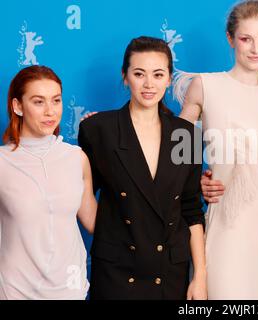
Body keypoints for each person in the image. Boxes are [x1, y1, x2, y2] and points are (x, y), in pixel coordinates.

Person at [174, 0, 258, 299]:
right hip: (225, 227)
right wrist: (196, 182)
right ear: (230, 38)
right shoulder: (205, 86)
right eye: (246, 39)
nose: (256, 49)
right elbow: (177, 153)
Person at [78, 36, 207, 300]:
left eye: (158, 74)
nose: (149, 84)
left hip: (169, 271)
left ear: (169, 79)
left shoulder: (186, 135)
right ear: (125, 77)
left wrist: (200, 277)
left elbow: (192, 210)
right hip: (117, 270)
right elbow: (82, 196)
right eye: (139, 74)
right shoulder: (97, 129)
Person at [0, 65, 97, 300]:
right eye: (38, 101)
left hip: (70, 289)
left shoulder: (76, 157)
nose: (50, 112)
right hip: (15, 291)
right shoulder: (2, 162)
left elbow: (95, 222)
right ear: (18, 106)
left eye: (56, 100)